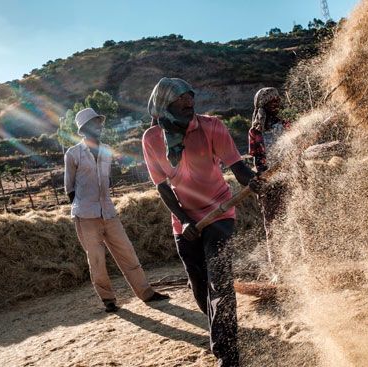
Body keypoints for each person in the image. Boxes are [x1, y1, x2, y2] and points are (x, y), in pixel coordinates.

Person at [142, 78, 264, 367]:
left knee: (219, 280)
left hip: (219, 211)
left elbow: (237, 167)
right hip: (184, 218)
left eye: (190, 98)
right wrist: (185, 222)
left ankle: (227, 352)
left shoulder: (211, 126)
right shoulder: (152, 139)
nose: (189, 104)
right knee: (199, 287)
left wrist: (253, 182)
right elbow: (162, 187)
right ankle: (221, 330)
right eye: (180, 100)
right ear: (163, 106)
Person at [64, 107, 168, 313]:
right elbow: (69, 187)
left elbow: (106, 180)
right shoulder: (73, 153)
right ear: (83, 129)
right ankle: (108, 300)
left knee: (127, 251)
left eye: (99, 123)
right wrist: (83, 206)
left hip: (109, 212)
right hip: (86, 215)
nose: (99, 127)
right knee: (96, 259)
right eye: (93, 124)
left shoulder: (106, 150)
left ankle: (146, 293)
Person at [248, 87, 290, 275]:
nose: (276, 104)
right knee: (272, 227)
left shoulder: (287, 125)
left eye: (277, 100)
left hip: (290, 178)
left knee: (297, 222)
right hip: (270, 183)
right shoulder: (255, 131)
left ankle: (303, 264)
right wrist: (264, 182)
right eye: (271, 101)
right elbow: (258, 160)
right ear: (263, 105)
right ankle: (278, 271)